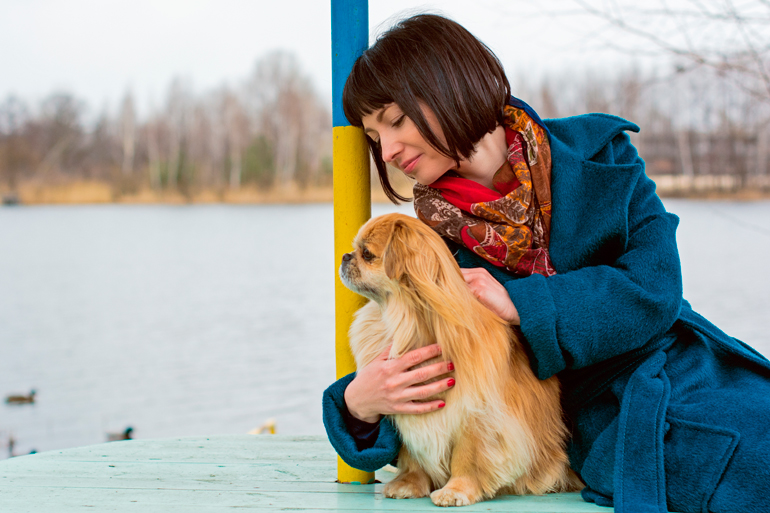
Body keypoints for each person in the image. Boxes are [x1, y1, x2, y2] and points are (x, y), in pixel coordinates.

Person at [322, 13, 770, 513]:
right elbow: (433, 373)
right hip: (599, 415)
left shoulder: (601, 153)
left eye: (396, 120)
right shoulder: (426, 248)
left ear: (449, 84)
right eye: (373, 135)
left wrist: (520, 303)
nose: (386, 152)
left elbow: (655, 289)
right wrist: (357, 405)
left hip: (694, 361)